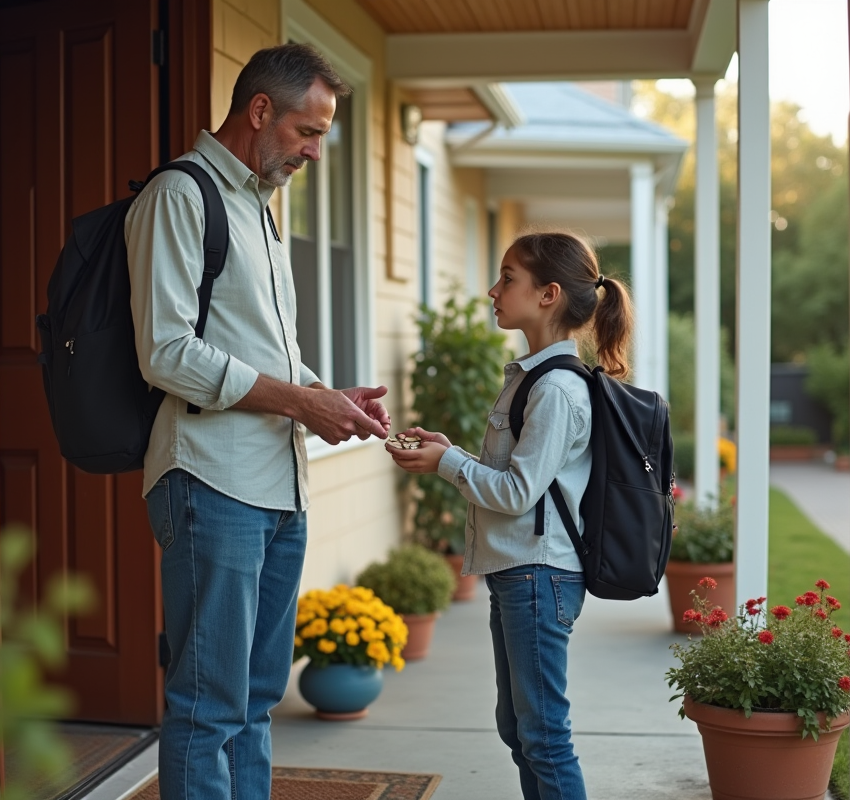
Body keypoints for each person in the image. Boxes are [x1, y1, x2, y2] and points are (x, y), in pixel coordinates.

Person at [125, 43, 391, 800]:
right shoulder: (182, 197)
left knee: (254, 701)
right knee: (208, 706)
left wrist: (326, 396)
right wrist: (297, 402)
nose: (314, 150)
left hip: (279, 487)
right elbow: (166, 352)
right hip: (211, 482)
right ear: (260, 110)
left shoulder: (260, 212)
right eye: (308, 132)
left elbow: (268, 352)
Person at [387, 232, 632, 800]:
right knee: (520, 729)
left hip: (539, 577)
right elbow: (523, 479)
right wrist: (452, 452)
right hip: (521, 574)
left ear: (548, 294)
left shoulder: (556, 390)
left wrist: (447, 463)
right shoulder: (533, 378)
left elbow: (517, 492)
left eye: (507, 278)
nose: (493, 290)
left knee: (543, 735)